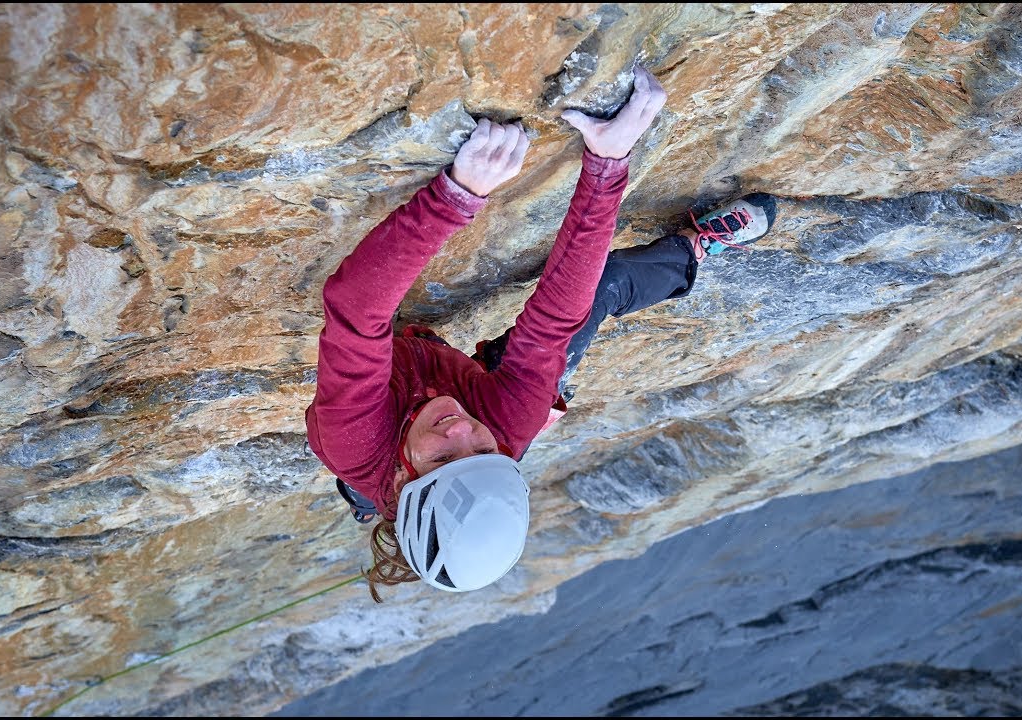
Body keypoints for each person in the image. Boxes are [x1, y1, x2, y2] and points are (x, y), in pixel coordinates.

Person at [305, 66, 777, 599]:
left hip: (377, 435)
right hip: (476, 389)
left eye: (441, 458)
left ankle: (365, 496)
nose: (460, 431)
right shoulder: (506, 428)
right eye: (480, 452)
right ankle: (695, 248)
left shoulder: (358, 441)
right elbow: (555, 316)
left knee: (355, 463)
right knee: (601, 289)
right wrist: (607, 163)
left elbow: (356, 310)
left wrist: (456, 196)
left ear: (399, 480)